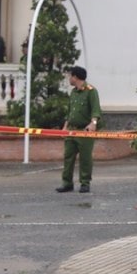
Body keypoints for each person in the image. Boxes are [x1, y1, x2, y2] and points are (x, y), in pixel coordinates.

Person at [56, 65, 101, 194]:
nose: (69, 79)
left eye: (70, 76)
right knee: (68, 156)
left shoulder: (91, 91)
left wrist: (93, 123)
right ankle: (67, 182)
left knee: (85, 158)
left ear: (75, 77)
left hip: (84, 131)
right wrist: (65, 126)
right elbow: (70, 112)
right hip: (72, 130)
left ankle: (85, 183)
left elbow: (96, 110)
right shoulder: (73, 92)